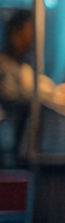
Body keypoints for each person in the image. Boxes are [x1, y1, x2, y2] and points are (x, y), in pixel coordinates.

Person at [0, 9, 34, 162]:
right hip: (5, 144)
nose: (29, 41)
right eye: (25, 34)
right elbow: (9, 95)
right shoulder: (2, 64)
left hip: (19, 148)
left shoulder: (26, 68)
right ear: (13, 34)